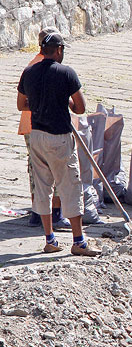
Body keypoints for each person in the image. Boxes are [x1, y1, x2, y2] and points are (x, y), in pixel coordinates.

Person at [16, 32, 99, 256]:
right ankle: (79, 242)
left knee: (43, 187)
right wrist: (65, 100)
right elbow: (80, 108)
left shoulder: (29, 71)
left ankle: (50, 239)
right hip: (59, 138)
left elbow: (21, 104)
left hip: (37, 135)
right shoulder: (66, 73)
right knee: (70, 186)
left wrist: (41, 101)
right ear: (59, 50)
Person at [19, 27, 72, 230]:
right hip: (43, 124)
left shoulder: (31, 66)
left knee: (36, 169)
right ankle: (55, 214)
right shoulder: (46, 67)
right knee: (55, 168)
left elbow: (22, 102)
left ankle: (37, 213)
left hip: (31, 123)